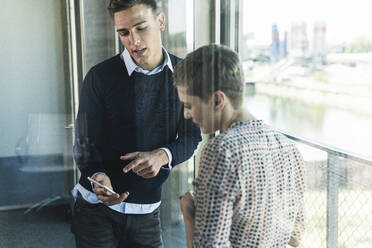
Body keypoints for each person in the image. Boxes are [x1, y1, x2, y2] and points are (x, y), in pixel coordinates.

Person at [70, 0, 201, 247]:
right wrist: (98, 177)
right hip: (95, 211)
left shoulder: (186, 75)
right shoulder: (99, 76)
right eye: (124, 32)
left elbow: (191, 137)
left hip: (147, 211)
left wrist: (162, 156)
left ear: (160, 22)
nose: (134, 40)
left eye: (141, 28)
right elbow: (83, 143)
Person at [175, 44, 305, 247]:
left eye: (189, 105)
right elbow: (295, 237)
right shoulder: (289, 149)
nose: (186, 114)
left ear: (218, 100)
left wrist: (189, 213)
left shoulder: (221, 150)